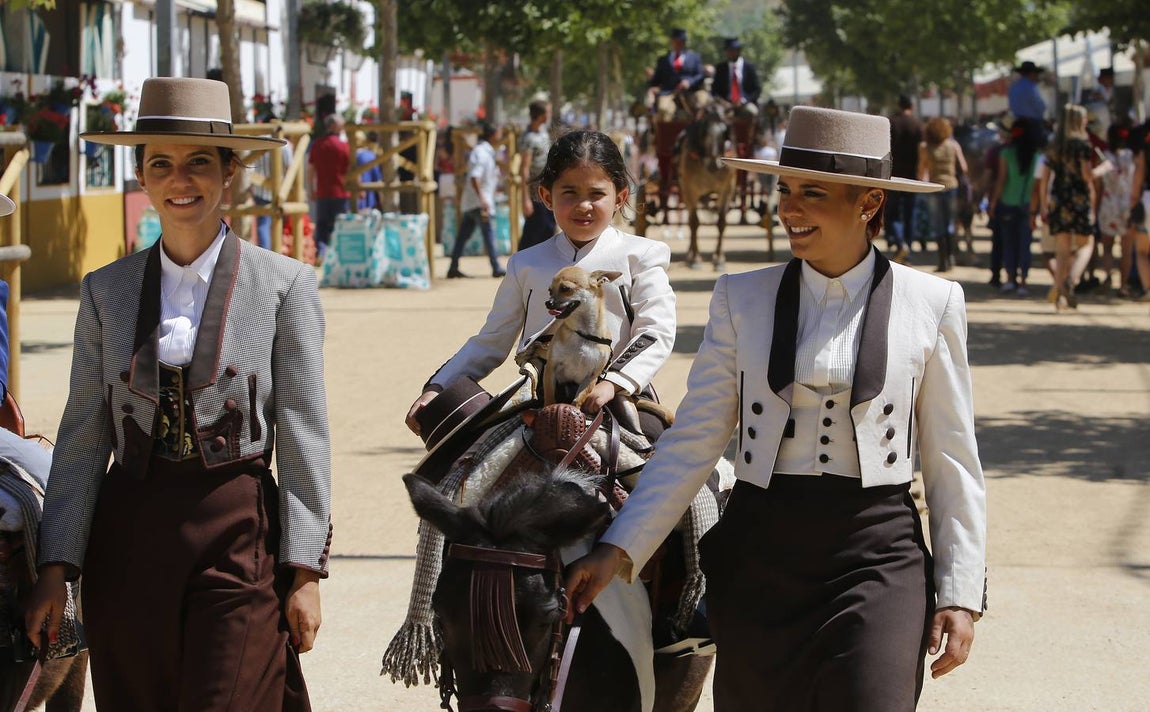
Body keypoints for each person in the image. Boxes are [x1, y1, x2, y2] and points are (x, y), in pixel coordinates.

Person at [565, 106, 986, 711]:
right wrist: (619, 547)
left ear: (868, 203)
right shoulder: (742, 296)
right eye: (785, 190)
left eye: (812, 193)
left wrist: (959, 591)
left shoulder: (934, 302)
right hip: (764, 551)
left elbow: (952, 460)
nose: (789, 209)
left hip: (878, 551)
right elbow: (694, 440)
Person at [25, 77, 331, 711]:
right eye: (160, 163)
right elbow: (84, 435)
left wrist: (304, 572)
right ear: (141, 176)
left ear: (229, 174)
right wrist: (57, 566)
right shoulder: (105, 291)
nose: (179, 179)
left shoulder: (285, 286)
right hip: (129, 534)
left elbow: (303, 430)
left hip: (239, 530)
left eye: (198, 162)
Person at [408, 129, 676, 434]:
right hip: (539, 401)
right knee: (459, 457)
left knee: (662, 467)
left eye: (597, 194)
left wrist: (614, 382)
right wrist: (438, 387)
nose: (583, 205)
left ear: (621, 196)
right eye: (570, 192)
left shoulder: (641, 256)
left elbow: (656, 330)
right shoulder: (525, 264)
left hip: (619, 397)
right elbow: (492, 340)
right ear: (546, 196)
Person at [1040, 104, 1096, 309]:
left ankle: (1060, 293)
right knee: (1086, 244)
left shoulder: (1054, 145)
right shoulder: (1082, 145)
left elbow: (1045, 177)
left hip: (1059, 199)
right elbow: (1087, 177)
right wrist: (1103, 170)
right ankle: (1071, 281)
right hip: (1079, 199)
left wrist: (1044, 203)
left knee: (1062, 249)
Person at [988, 116, 1041, 296]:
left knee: (1009, 243)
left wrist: (993, 203)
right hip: (1028, 205)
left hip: (1007, 203)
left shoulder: (1006, 154)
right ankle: (1024, 282)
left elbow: (1002, 180)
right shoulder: (1037, 157)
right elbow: (1038, 186)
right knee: (1025, 244)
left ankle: (1010, 279)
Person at [446, 121, 505, 279]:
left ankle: (453, 266)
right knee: (488, 234)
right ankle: (496, 266)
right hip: (480, 203)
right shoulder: (482, 153)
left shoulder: (483, 152)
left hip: (474, 202)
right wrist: (483, 199)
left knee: (463, 236)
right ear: (493, 135)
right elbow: (474, 177)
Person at [918, 116, 969, 271]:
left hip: (935, 187)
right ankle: (951, 256)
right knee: (950, 224)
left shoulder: (925, 147)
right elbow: (964, 167)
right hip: (952, 186)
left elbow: (921, 171)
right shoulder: (953, 145)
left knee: (938, 224)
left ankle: (942, 261)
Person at [1097, 124, 1136, 295]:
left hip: (1108, 204)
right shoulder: (1132, 157)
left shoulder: (1104, 157)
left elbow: (1098, 185)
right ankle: (1123, 285)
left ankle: (1107, 276)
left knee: (1107, 246)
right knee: (1126, 250)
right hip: (1127, 204)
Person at [886, 94, 923, 262]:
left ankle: (900, 242)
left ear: (899, 105)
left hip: (894, 174)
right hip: (913, 176)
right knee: (910, 213)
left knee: (892, 212)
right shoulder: (918, 125)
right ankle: (908, 245)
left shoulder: (891, 123)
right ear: (912, 106)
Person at [517, 99, 558, 251]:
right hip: (535, 190)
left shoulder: (542, 133)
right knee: (534, 229)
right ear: (541, 115)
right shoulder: (528, 138)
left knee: (548, 227)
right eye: (547, 111)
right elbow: (525, 168)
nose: (549, 115)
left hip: (546, 187)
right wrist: (525, 198)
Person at [308, 113, 350, 259]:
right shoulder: (344, 146)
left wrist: (311, 189)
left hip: (323, 192)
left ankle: (321, 254)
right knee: (340, 225)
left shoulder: (317, 145)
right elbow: (350, 169)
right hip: (341, 192)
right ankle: (339, 255)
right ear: (334, 126)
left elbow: (311, 169)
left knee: (322, 225)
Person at [647, 28, 706, 121]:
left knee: (703, 102)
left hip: (690, 92)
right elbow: (656, 80)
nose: (678, 44)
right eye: (676, 41)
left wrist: (689, 82)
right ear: (672, 42)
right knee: (663, 108)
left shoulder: (694, 57)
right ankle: (668, 133)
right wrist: (651, 88)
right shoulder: (663, 60)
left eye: (681, 41)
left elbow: (700, 75)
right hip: (669, 93)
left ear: (685, 42)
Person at [711, 38, 761, 117]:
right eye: (729, 50)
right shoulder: (721, 68)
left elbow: (757, 90)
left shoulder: (749, 67)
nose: (731, 53)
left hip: (745, 104)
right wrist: (723, 102)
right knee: (715, 115)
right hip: (726, 104)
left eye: (733, 50)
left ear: (739, 51)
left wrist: (744, 101)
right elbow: (714, 91)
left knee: (752, 112)